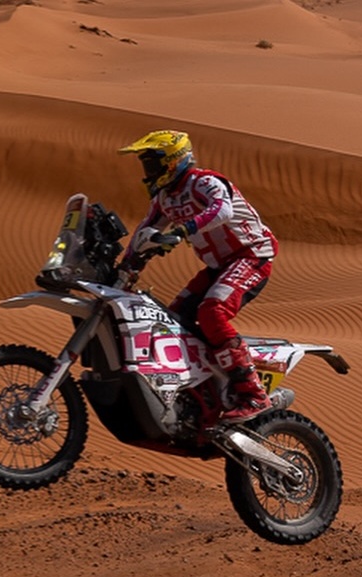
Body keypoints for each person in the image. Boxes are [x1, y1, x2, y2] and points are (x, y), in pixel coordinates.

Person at [118, 130, 277, 423]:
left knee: (212, 312)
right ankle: (206, 390)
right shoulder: (165, 198)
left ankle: (254, 394)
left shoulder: (204, 182)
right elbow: (145, 231)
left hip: (251, 256)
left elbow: (222, 211)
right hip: (218, 266)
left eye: (151, 164)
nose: (147, 172)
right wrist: (126, 267)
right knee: (173, 320)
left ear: (172, 161)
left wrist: (183, 230)